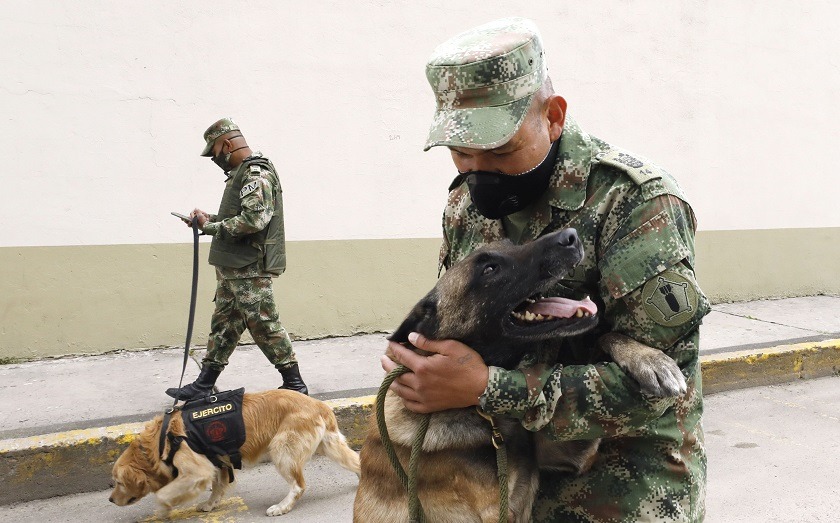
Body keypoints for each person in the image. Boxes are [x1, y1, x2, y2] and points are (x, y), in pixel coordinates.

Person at [382, 18, 708, 521]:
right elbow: (467, 323)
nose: (478, 171)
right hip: (509, 459)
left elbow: (661, 393)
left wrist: (487, 388)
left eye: (500, 150)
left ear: (553, 117)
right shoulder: (463, 205)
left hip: (625, 475)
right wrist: (421, 359)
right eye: (462, 152)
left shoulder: (637, 201)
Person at [166, 118, 308, 400]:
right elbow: (238, 218)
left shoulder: (256, 174)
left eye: (216, 151)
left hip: (249, 269)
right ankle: (204, 384)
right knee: (224, 326)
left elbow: (254, 220)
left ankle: (295, 384)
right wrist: (209, 220)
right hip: (234, 268)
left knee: (265, 325)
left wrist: (211, 228)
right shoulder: (241, 173)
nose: (215, 158)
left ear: (228, 144)